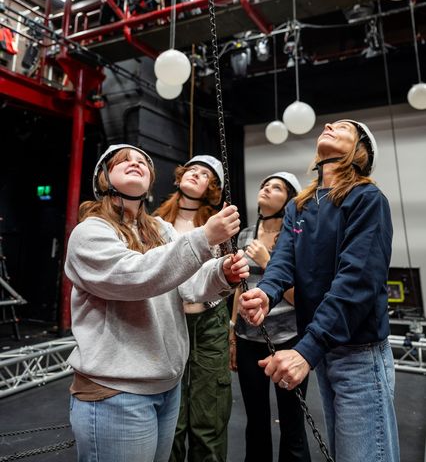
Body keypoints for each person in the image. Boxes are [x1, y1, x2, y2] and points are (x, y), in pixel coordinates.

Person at [65, 144, 247, 462]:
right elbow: (137, 276)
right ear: (103, 179)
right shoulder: (90, 233)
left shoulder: (161, 229)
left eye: (143, 162)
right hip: (116, 392)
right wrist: (205, 239)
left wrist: (222, 274)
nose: (136, 163)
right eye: (124, 161)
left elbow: (188, 283)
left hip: (165, 386)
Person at [239, 120, 400, 462]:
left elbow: (356, 282)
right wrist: (266, 293)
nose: (328, 125)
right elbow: (284, 259)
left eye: (342, 127)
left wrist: (307, 349)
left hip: (359, 350)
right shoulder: (301, 205)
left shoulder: (366, 199)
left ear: (360, 151)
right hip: (326, 349)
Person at [155, 155, 232, 462]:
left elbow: (227, 276)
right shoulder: (156, 222)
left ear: (212, 188)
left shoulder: (218, 225)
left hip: (209, 320)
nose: (197, 176)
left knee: (208, 412)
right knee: (171, 414)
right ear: (180, 177)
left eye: (205, 175)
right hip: (170, 320)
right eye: (193, 171)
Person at [229, 172, 311, 462]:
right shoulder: (246, 235)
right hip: (248, 338)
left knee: (292, 424)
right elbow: (241, 287)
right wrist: (232, 333)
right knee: (257, 422)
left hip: (289, 340)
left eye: (276, 187)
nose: (266, 188)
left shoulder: (297, 238)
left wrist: (267, 261)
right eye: (265, 184)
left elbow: (300, 299)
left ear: (289, 200)